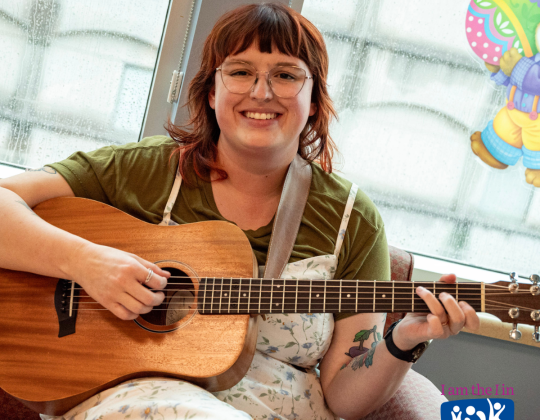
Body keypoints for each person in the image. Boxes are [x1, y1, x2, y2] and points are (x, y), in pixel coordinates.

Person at [0, 3, 479, 420]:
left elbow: (345, 398)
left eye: (287, 75)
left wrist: (406, 338)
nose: (262, 92)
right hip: (131, 402)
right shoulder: (145, 169)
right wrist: (86, 261)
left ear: (314, 103)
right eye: (241, 71)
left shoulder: (352, 219)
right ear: (212, 92)